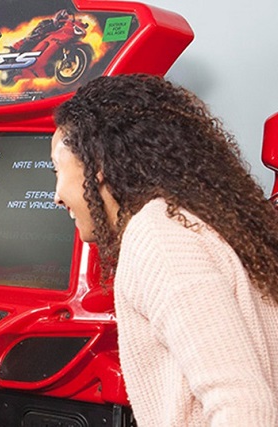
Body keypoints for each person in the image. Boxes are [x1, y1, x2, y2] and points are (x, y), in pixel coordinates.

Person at [51, 74, 278, 425]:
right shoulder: (199, 219)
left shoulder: (158, 236)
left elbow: (245, 409)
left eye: (57, 169)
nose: (56, 195)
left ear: (95, 166)